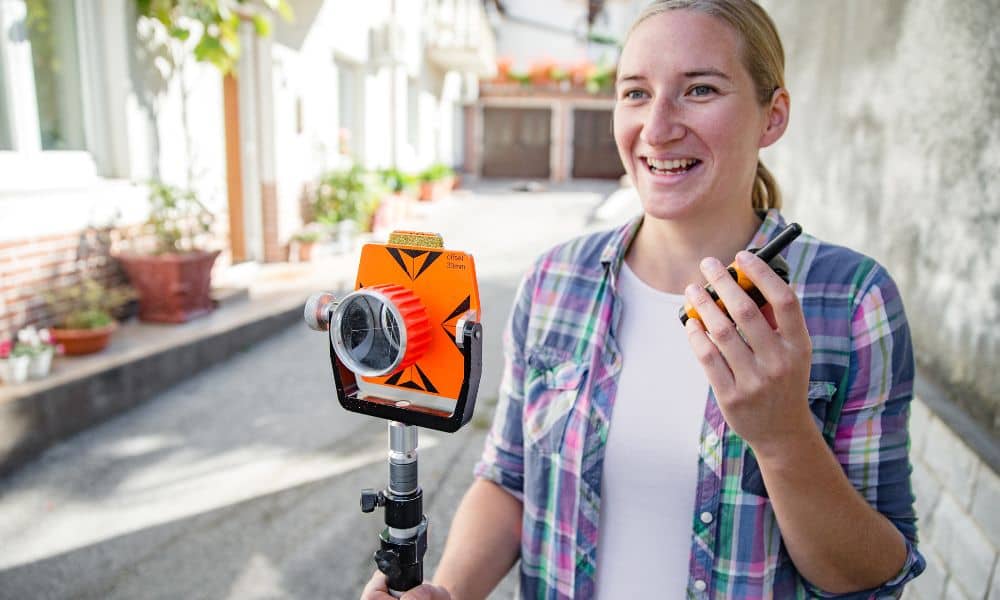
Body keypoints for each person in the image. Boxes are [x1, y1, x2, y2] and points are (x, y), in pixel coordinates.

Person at [364, 0, 925, 597]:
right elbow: (510, 480)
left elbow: (874, 573)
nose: (657, 128)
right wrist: (447, 592)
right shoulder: (555, 281)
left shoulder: (853, 300)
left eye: (701, 89)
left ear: (772, 116)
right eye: (635, 93)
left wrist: (784, 436)